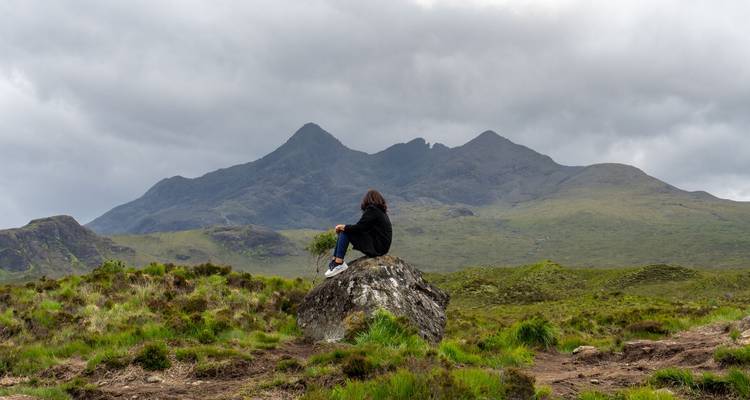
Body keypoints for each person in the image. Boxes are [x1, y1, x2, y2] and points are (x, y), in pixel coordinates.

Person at [325, 189, 393, 278]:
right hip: (381, 247)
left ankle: (339, 263)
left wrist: (343, 227)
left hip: (378, 247)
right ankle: (335, 261)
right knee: (345, 230)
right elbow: (364, 228)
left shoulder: (372, 210)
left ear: (367, 200)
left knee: (346, 232)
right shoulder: (381, 212)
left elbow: (360, 227)